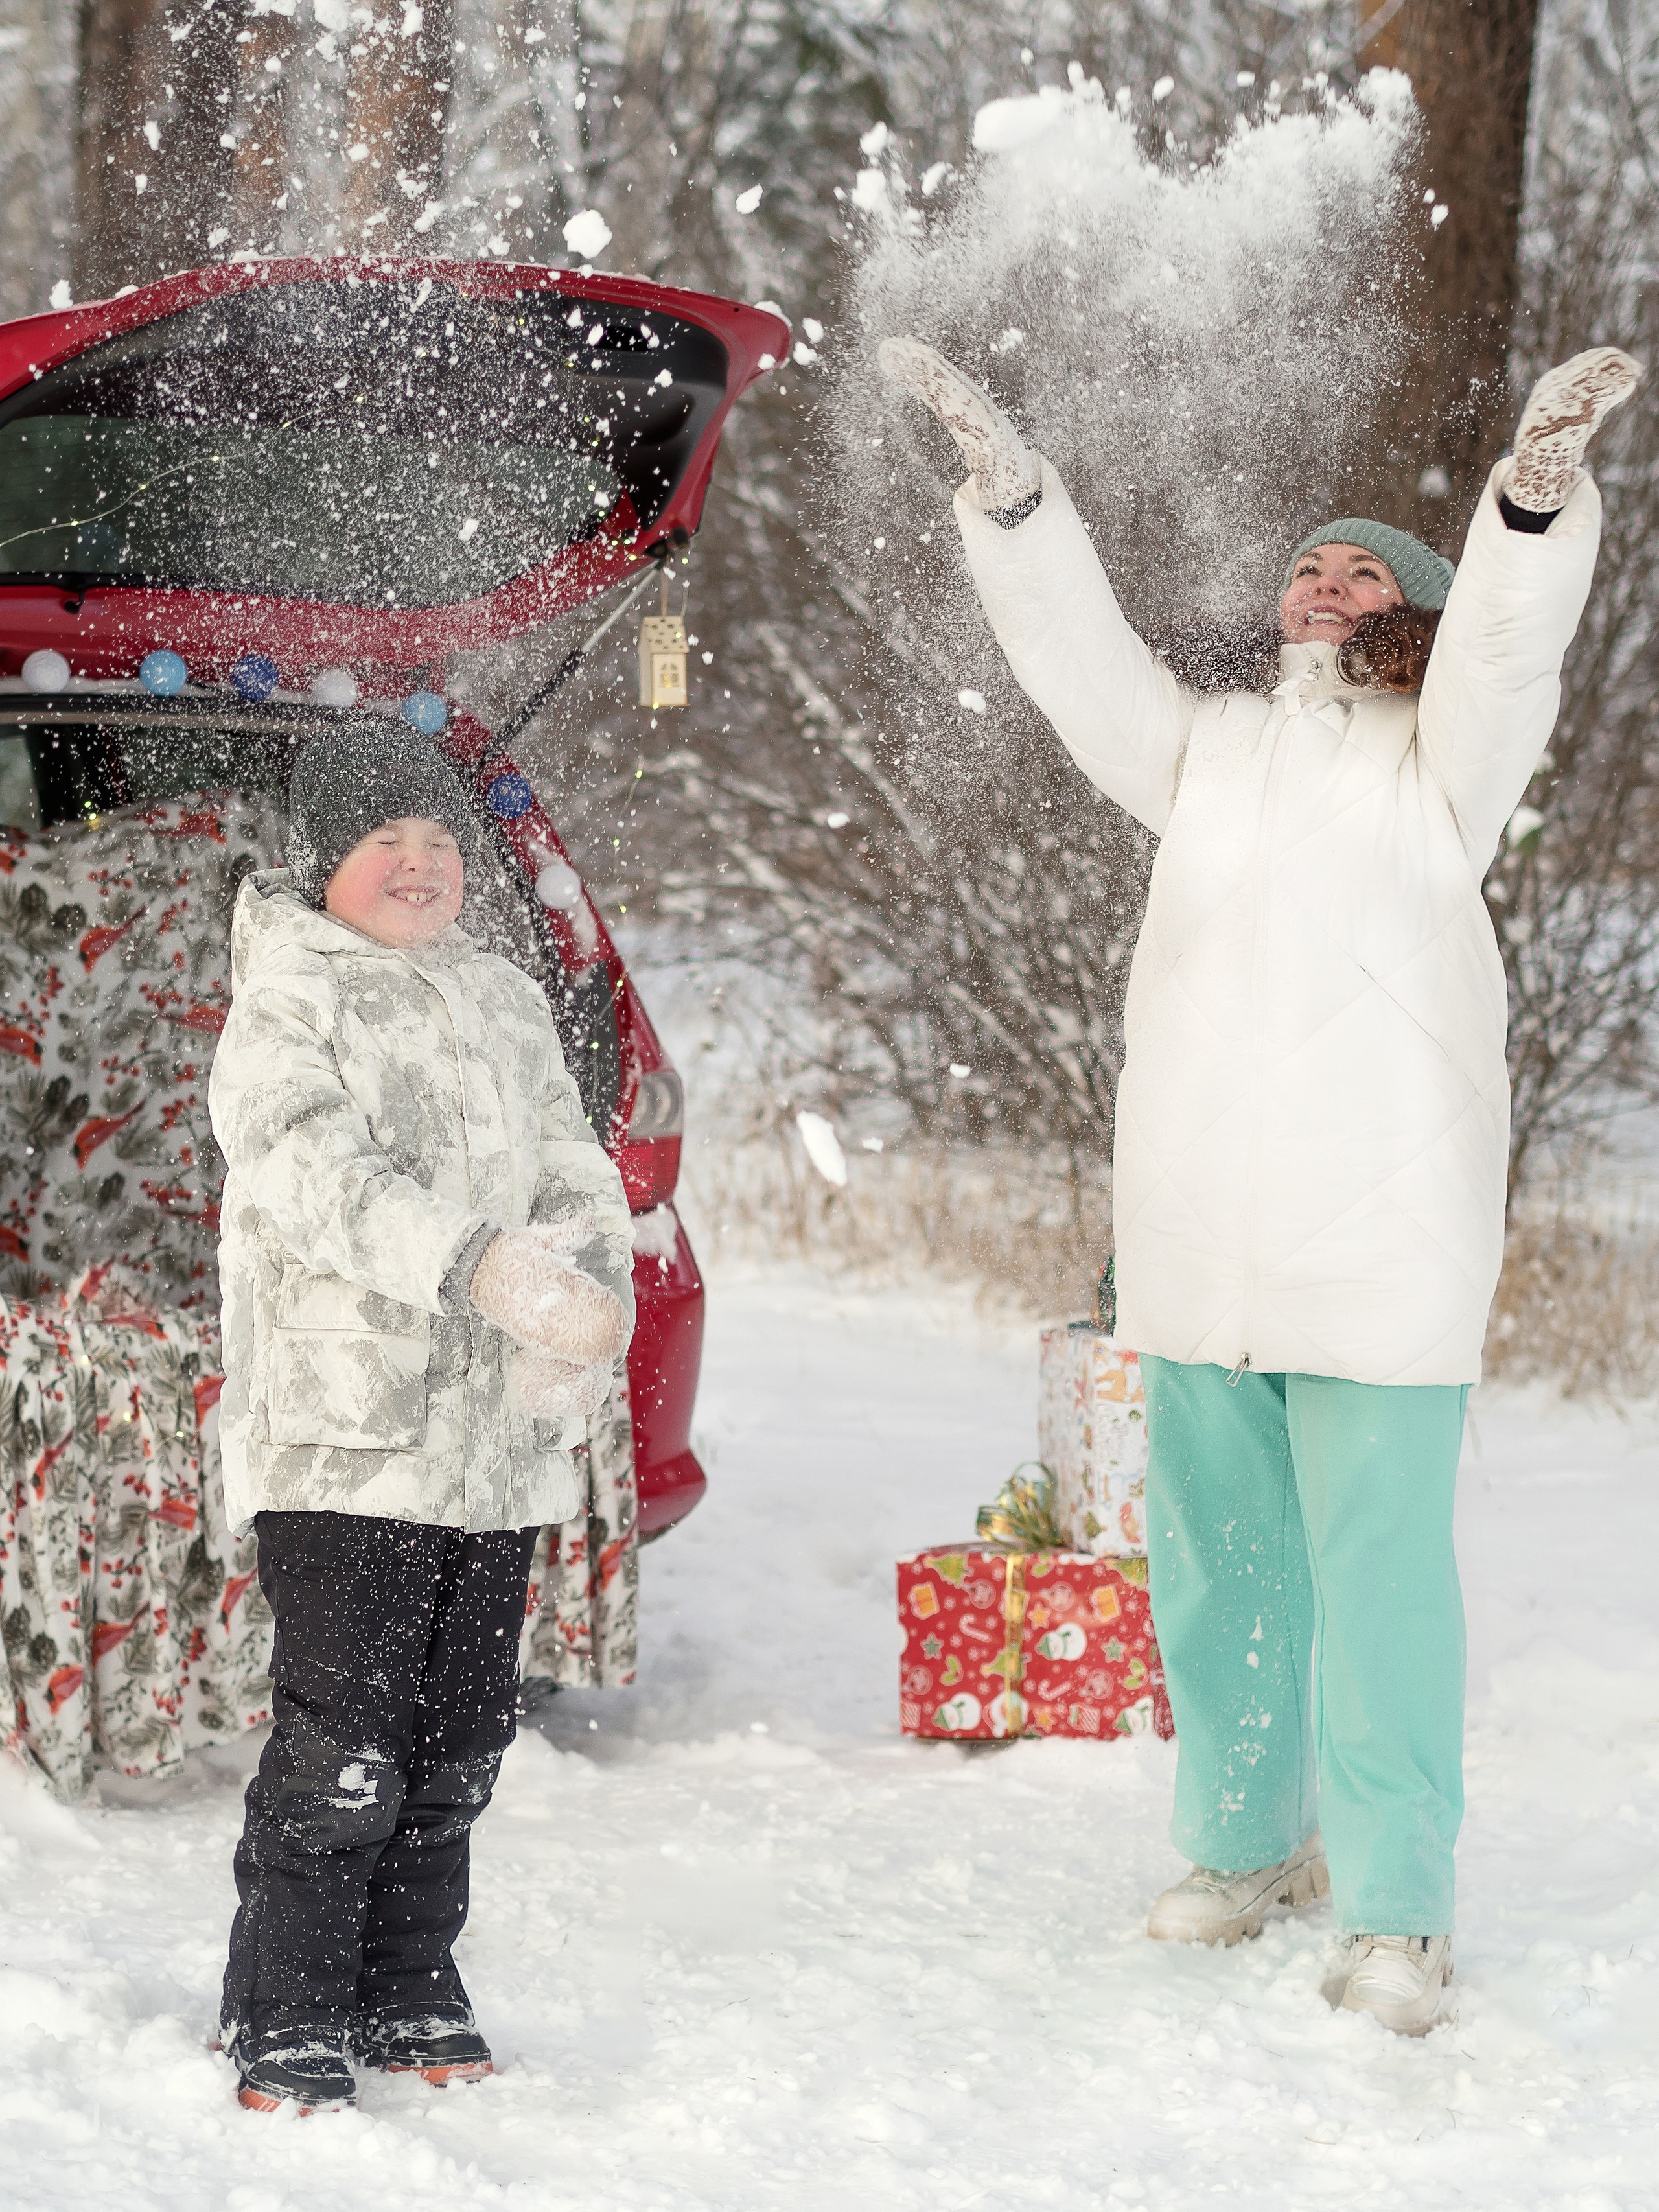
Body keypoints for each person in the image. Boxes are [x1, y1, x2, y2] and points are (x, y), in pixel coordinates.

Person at [882, 334, 1640, 2034]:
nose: (1325, 575)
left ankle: (1396, 1905)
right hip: (1207, 1233)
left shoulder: (1445, 767)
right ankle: (1240, 1843)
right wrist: (1012, 493)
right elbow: (1080, 663)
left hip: (1385, 1241)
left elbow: (1514, 651)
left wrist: (1533, 497)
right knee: (1219, 1565)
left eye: (1365, 564)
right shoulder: (1202, 751)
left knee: (1379, 1581)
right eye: (1309, 559)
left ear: (1419, 613)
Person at [211, 722, 636, 2111]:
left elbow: (581, 1177)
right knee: (345, 1745)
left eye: (442, 840)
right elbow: (305, 1173)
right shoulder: (288, 996)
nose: (419, 862)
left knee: (459, 1739)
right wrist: (476, 1263)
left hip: (496, 1450)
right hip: (353, 1437)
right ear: (322, 863)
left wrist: (578, 1308)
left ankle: (405, 1983)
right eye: (385, 839)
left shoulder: (505, 998)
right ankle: (283, 2008)